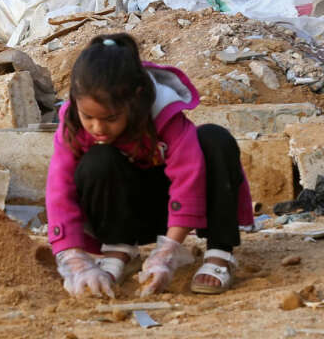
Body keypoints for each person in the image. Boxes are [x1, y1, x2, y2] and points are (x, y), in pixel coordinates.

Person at [46, 33, 253, 298]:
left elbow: (189, 179)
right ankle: (118, 249)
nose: (97, 128)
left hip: (176, 211)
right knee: (99, 160)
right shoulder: (73, 126)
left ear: (135, 100)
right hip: (128, 214)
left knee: (215, 138)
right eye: (89, 117)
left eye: (110, 118)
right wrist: (73, 259)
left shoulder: (166, 116)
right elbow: (59, 190)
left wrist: (167, 252)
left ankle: (219, 254)